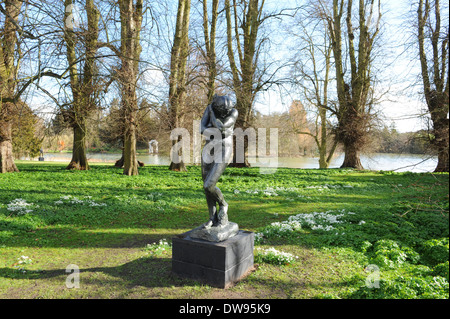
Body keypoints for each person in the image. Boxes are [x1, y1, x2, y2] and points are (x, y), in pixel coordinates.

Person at [200, 95, 238, 228]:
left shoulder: (233, 112)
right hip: (208, 150)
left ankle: (223, 204)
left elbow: (222, 127)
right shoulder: (210, 108)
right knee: (206, 187)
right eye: (223, 110)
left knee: (209, 185)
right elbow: (201, 129)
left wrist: (211, 116)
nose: (226, 112)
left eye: (228, 109)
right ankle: (212, 218)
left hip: (223, 150)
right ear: (217, 107)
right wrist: (215, 132)